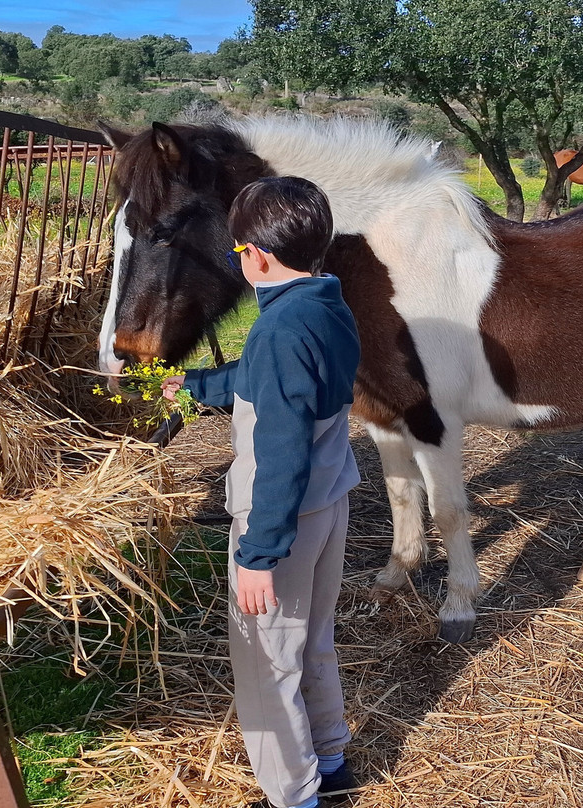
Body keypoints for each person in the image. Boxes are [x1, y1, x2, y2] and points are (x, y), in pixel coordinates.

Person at [161, 176, 361, 808]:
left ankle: (293, 795)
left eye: (237, 250)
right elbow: (272, 382)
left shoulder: (279, 331)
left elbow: (281, 450)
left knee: (266, 663)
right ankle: (329, 759)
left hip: (281, 519)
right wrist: (197, 386)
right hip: (328, 502)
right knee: (312, 641)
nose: (239, 260)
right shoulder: (325, 304)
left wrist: (259, 553)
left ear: (259, 256)